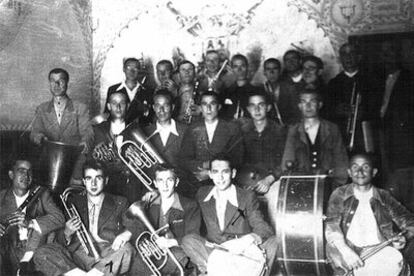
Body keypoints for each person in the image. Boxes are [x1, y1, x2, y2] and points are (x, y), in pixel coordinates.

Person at [181, 155, 278, 275]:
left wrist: (248, 239)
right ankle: (212, 270)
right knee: (189, 240)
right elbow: (184, 204)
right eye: (215, 172)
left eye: (225, 172)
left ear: (233, 173)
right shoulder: (202, 193)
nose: (220, 177)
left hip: (243, 252)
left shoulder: (246, 196)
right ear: (210, 174)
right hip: (215, 251)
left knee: (275, 242)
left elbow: (263, 228)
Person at [325, 153, 414, 276]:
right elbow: (331, 225)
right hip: (347, 251)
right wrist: (346, 251)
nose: (360, 172)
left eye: (366, 167)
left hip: (379, 249)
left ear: (374, 172)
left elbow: (408, 221)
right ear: (349, 172)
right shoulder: (339, 194)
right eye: (355, 167)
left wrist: (404, 237)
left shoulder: (384, 196)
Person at [56, 160, 134, 276]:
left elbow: (135, 225)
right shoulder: (73, 202)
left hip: (109, 253)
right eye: (88, 178)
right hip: (80, 254)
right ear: (83, 181)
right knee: (43, 251)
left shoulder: (120, 202)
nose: (93, 184)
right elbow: (59, 240)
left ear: (106, 180)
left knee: (127, 249)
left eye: (98, 178)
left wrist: (126, 233)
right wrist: (67, 232)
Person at [128, 164, 201, 275]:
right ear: (155, 183)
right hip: (156, 251)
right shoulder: (150, 204)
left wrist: (171, 242)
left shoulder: (189, 205)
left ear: (176, 182)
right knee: (134, 266)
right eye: (160, 180)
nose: (165, 185)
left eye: (169, 180)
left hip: (180, 252)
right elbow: (137, 226)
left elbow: (194, 236)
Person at [0, 157, 65, 275]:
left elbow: (60, 218)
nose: (26, 175)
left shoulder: (42, 194)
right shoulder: (1, 197)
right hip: (8, 253)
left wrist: (30, 222)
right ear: (11, 174)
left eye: (29, 171)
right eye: (21, 170)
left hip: (34, 252)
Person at [30, 67, 94, 184]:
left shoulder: (80, 108)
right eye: (52, 81)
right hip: (48, 165)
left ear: (67, 83)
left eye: (61, 80)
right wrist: (40, 137)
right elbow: (34, 133)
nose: (56, 84)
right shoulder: (42, 109)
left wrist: (85, 142)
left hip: (75, 166)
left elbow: (88, 133)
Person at [281, 89, 349, 186]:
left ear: (319, 105)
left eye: (312, 101)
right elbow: (287, 161)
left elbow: (341, 161)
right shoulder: (294, 131)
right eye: (304, 102)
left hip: (328, 183)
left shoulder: (332, 129)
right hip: (302, 184)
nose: (308, 106)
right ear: (299, 106)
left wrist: (338, 186)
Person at [241, 91, 287, 227]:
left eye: (261, 105)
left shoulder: (280, 131)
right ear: (248, 109)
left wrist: (270, 179)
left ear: (268, 107)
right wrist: (244, 180)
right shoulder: (242, 131)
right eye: (252, 106)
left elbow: (286, 162)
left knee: (275, 198)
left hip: (273, 180)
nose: (257, 109)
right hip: (247, 180)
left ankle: (276, 239)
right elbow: (238, 161)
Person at [92, 91, 145, 203]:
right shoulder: (98, 129)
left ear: (128, 106)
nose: (118, 106)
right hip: (106, 185)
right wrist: (95, 154)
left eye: (122, 103)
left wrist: (138, 159)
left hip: (131, 186)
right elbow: (91, 160)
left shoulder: (137, 130)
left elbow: (143, 163)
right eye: (114, 103)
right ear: (108, 106)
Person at [325, 43, 380, 152]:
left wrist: (364, 112)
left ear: (359, 57)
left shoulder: (371, 80)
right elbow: (327, 111)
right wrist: (338, 110)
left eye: (352, 53)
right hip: (341, 134)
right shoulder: (333, 83)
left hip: (365, 134)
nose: (348, 57)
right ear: (340, 59)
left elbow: (378, 107)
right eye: (344, 54)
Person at [179, 91, 244, 182]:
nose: (208, 109)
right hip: (198, 180)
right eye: (205, 104)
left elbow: (238, 159)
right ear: (201, 108)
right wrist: (203, 165)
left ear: (219, 107)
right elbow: (184, 160)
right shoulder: (192, 129)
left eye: (212, 104)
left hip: (224, 180)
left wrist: (211, 172)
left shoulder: (232, 129)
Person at [144, 90, 196, 196]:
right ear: (153, 108)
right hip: (152, 190)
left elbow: (190, 163)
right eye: (158, 105)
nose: (161, 110)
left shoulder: (186, 131)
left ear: (172, 107)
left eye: (166, 105)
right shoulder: (145, 132)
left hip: (181, 190)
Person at [105, 57, 153, 125]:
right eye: (128, 68)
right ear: (123, 69)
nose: (132, 71)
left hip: (142, 131)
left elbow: (151, 117)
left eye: (135, 68)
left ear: (139, 70)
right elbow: (107, 114)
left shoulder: (148, 91)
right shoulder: (113, 90)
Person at [221, 54, 264, 120]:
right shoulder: (226, 92)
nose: (239, 69)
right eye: (236, 66)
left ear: (247, 67)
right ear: (232, 69)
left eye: (243, 66)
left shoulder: (258, 91)